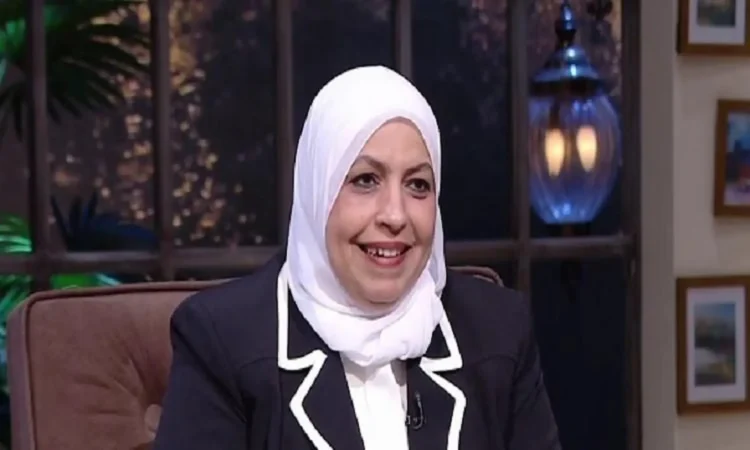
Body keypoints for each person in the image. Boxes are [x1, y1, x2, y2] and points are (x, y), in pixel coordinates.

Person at [153, 65, 561, 450]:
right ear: (318, 191)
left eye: (418, 185)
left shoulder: (499, 329)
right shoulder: (222, 340)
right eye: (365, 180)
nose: (395, 215)